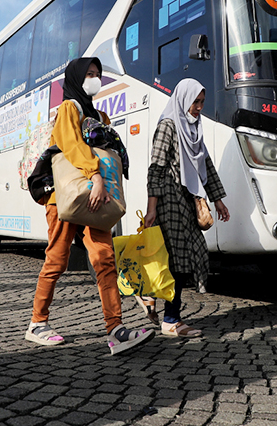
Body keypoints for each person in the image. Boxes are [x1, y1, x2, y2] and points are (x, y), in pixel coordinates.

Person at [26, 57, 154, 354]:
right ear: (75, 78)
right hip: (66, 196)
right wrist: (95, 175)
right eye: (89, 74)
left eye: (98, 74)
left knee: (104, 259)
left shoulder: (99, 114)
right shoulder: (69, 107)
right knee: (57, 259)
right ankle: (37, 323)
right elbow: (71, 144)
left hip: (96, 196)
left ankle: (116, 329)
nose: (95, 79)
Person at [143, 79, 230, 337]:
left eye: (202, 102)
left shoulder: (194, 129)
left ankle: (150, 295)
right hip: (168, 201)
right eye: (196, 102)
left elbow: (207, 167)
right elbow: (156, 169)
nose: (199, 107)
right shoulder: (168, 126)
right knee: (178, 260)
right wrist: (152, 209)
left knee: (187, 256)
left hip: (188, 201)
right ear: (183, 99)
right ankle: (171, 319)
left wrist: (218, 199)